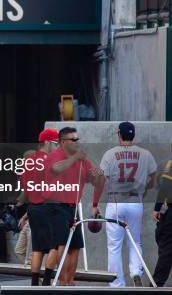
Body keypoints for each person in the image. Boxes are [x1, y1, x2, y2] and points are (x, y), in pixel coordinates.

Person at [97, 122, 158, 287]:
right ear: (133, 135)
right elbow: (153, 180)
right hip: (135, 201)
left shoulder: (110, 154)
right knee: (135, 241)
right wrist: (143, 189)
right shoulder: (145, 154)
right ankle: (136, 272)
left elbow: (102, 179)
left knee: (114, 245)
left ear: (119, 134)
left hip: (116, 201)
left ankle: (117, 283)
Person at [43, 127, 105, 286]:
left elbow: (95, 181)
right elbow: (56, 169)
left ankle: (69, 282)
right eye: (73, 139)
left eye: (78, 139)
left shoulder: (83, 160)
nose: (77, 142)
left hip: (73, 208)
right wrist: (75, 158)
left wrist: (99, 177)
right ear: (63, 141)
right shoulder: (53, 156)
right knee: (62, 245)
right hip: (56, 206)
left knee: (76, 246)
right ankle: (62, 282)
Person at [18, 128, 60, 286]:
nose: (57, 147)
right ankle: (47, 281)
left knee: (37, 248)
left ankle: (34, 282)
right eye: (55, 143)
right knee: (53, 246)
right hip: (49, 207)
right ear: (47, 142)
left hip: (33, 209)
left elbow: (24, 185)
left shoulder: (28, 160)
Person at [153, 149, 172, 287]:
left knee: (166, 247)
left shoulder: (169, 164)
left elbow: (165, 186)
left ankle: (157, 284)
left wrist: (157, 208)